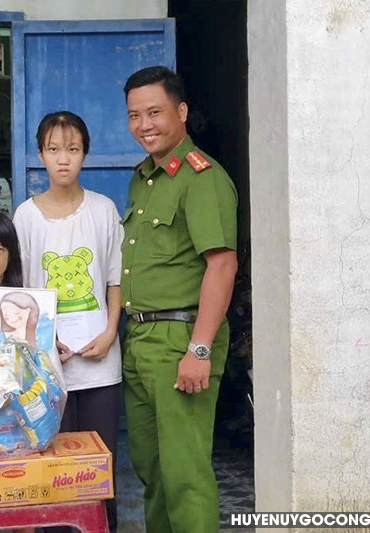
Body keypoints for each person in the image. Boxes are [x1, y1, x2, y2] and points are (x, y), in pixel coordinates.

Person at [120, 66, 238, 533]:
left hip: (181, 339)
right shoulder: (144, 180)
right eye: (134, 115)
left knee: (185, 473)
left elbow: (222, 264)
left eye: (155, 112)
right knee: (152, 472)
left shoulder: (201, 177)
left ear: (181, 112)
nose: (144, 125)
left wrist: (200, 348)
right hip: (141, 338)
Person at [12, 111, 123, 532]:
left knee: (99, 468)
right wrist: (43, 338)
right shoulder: (26, 216)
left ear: (85, 155)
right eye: (54, 150)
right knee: (52, 470)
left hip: (100, 364)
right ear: (41, 154)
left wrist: (111, 332)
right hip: (46, 366)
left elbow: (114, 279)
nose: (64, 159)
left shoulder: (103, 209)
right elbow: (21, 290)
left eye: (73, 150)